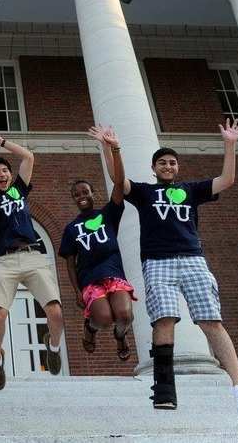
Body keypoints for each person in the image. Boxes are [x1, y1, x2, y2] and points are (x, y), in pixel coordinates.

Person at [117, 119, 238, 417]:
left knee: (210, 321)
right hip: (157, 262)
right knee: (163, 319)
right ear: (154, 168)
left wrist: (229, 145)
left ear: (177, 168)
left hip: (192, 259)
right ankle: (164, 391)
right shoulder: (144, 193)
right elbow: (120, 183)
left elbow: (226, 181)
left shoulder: (190, 189)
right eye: (162, 162)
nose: (168, 166)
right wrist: (113, 149)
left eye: (172, 162)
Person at [0, 131, 64, 389]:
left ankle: (53, 346)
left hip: (33, 256)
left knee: (55, 312)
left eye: (4, 170)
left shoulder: (19, 190)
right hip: (4, 262)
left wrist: (2, 143)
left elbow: (28, 156)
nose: (2, 175)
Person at [59, 126, 135, 360]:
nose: (81, 195)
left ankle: (120, 336)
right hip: (89, 278)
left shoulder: (108, 214)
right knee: (103, 319)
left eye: (86, 191)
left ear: (93, 193)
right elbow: (70, 263)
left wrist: (111, 148)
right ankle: (90, 329)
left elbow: (120, 183)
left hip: (113, 273)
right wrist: (76, 291)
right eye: (76, 193)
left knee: (124, 315)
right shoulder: (71, 228)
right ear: (74, 198)